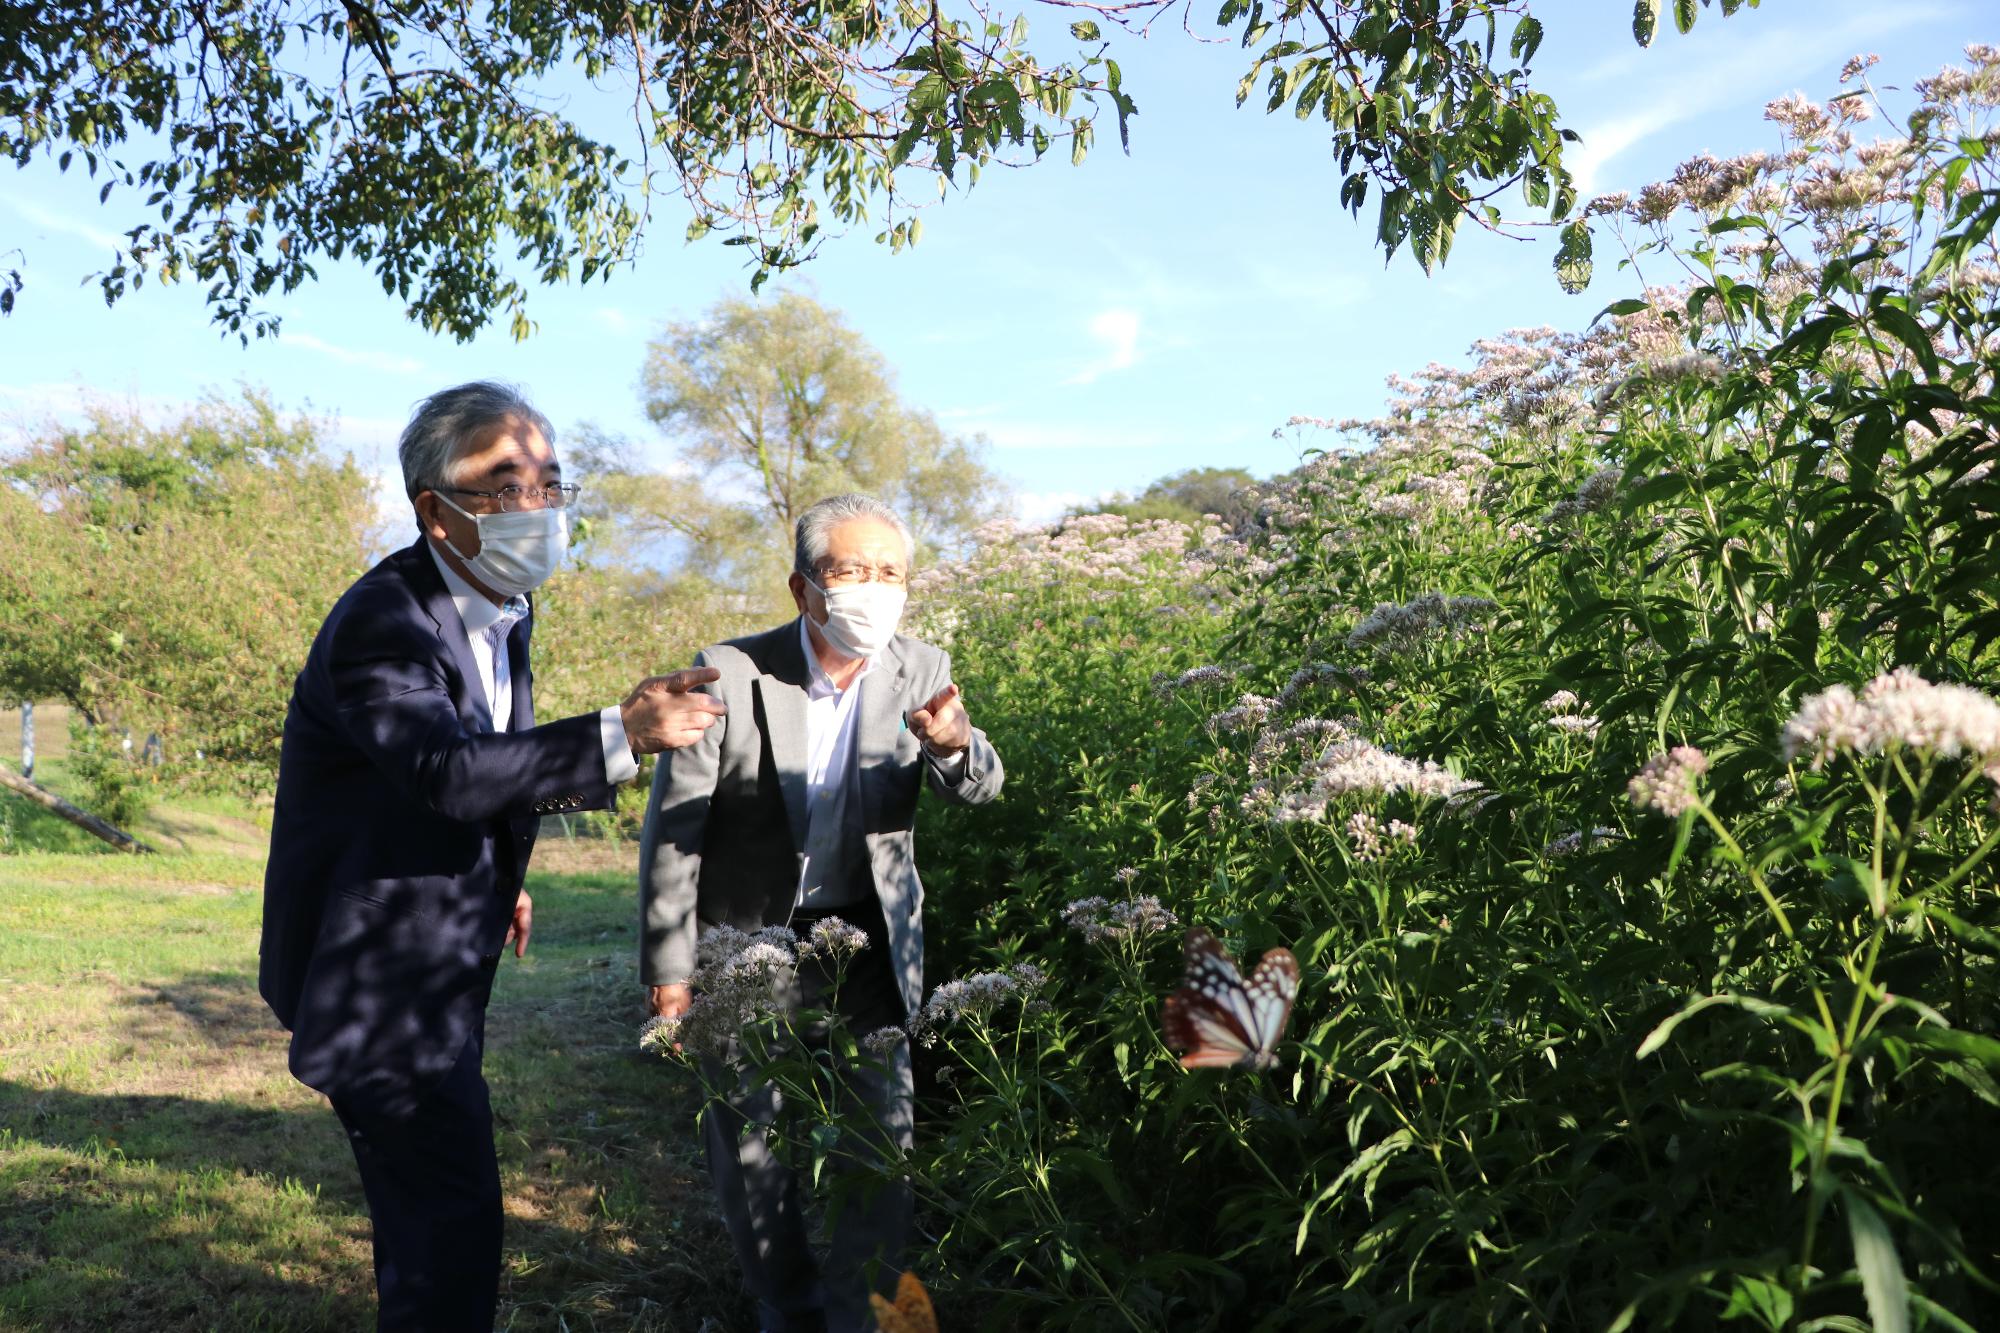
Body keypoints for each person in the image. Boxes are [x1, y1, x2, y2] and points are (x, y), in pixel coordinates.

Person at [258, 380, 726, 1331]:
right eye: (506, 482)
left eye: (551, 481)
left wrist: (496, 881)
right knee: (449, 1224)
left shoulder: (499, 605)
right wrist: (619, 734)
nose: (537, 506)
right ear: (435, 509)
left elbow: (480, 770)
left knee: (436, 1213)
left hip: (438, 952)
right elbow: (443, 767)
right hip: (378, 981)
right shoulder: (383, 621)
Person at [638, 493, 1004, 1333]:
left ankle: (863, 1313)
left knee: (880, 1136)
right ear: (804, 588)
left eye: (890, 573)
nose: (874, 590)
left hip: (865, 940)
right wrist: (670, 968)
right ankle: (786, 1306)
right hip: (747, 938)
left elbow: (982, 782)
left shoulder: (919, 664)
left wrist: (953, 743)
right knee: (750, 1142)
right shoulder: (731, 672)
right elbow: (675, 830)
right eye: (851, 572)